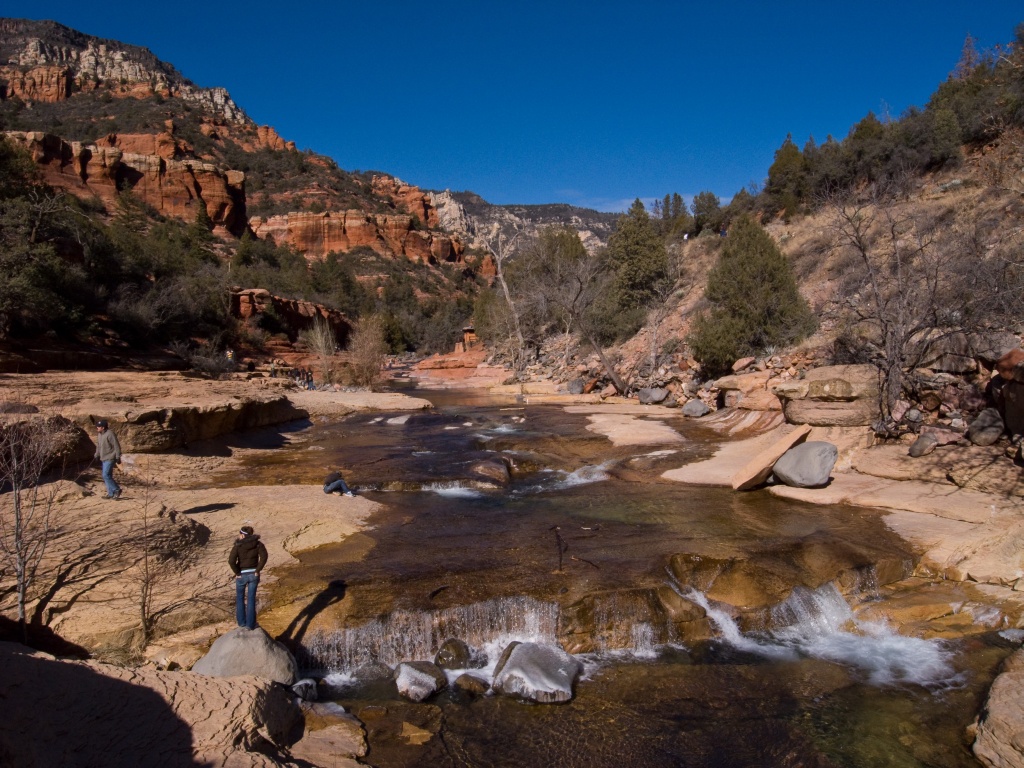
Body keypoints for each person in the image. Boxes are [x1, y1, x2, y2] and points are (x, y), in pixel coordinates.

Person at [228, 525, 268, 630]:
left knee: (240, 598)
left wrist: (237, 573)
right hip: (253, 574)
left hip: (241, 575)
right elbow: (264, 557)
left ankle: (241, 623)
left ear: (242, 535)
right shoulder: (258, 544)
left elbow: (231, 561)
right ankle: (250, 625)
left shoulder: (237, 546)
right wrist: (257, 570)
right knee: (251, 599)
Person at [94, 419, 122, 499]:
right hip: (103, 458)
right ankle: (111, 493)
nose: (97, 428)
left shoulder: (110, 434)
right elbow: (98, 446)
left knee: (105, 475)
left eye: (98, 427)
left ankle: (117, 489)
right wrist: (96, 455)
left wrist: (118, 456)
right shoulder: (100, 435)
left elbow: (116, 445)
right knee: (107, 475)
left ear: (103, 427)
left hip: (110, 457)